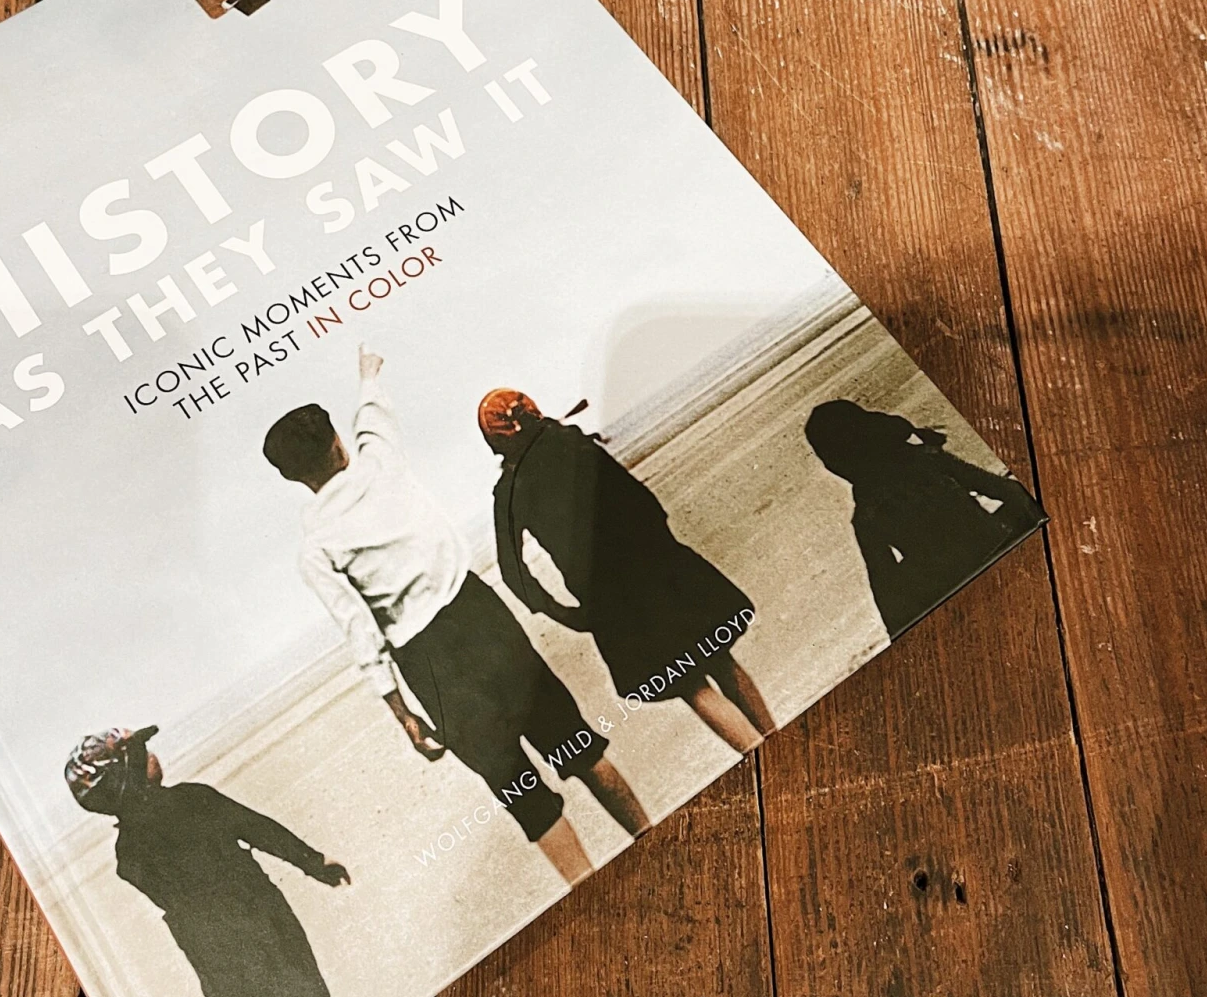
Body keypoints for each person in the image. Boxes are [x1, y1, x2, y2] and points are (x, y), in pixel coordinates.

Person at [263, 346, 650, 886]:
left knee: (522, 795)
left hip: (428, 662)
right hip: (479, 617)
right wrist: (368, 371)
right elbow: (372, 411)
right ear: (338, 443)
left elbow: (361, 633)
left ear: (290, 477)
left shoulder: (315, 548)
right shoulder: (381, 463)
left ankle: (592, 891)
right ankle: (651, 840)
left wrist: (402, 713)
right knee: (576, 747)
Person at [64, 724, 349, 997]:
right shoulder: (192, 800)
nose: (153, 755)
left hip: (209, 953)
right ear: (128, 772)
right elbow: (259, 829)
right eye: (143, 752)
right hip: (260, 922)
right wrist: (313, 862)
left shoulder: (126, 853)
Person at [480, 389, 776, 754]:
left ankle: (762, 755)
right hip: (660, 566)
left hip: (610, 602)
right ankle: (777, 744)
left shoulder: (511, 490)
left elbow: (513, 573)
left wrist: (563, 613)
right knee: (721, 661)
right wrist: (666, 553)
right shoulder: (574, 443)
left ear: (496, 443)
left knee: (690, 685)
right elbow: (644, 502)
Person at [804, 398, 1044, 639]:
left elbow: (886, 596)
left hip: (956, 587)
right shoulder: (926, 460)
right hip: (997, 547)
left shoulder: (867, 517)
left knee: (901, 579)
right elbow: (1005, 490)